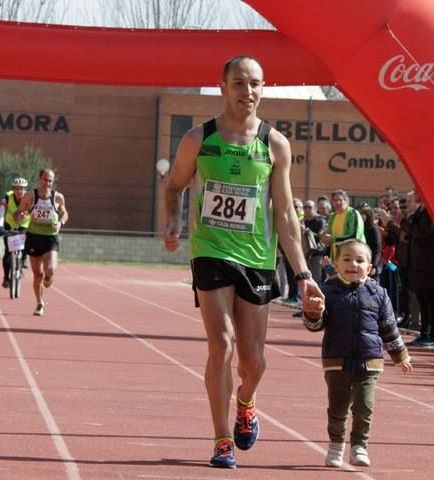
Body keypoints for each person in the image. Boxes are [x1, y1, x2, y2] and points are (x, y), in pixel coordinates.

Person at [162, 55, 325, 469]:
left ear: (263, 88)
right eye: (238, 83)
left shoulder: (275, 145)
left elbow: (285, 214)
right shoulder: (198, 140)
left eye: (254, 84)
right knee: (222, 343)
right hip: (211, 251)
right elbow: (174, 185)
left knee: (252, 362)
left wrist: (303, 274)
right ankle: (221, 440)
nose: (247, 92)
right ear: (222, 86)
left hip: (257, 257)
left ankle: (247, 401)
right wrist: (173, 221)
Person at [302, 239, 411, 468]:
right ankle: (336, 446)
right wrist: (313, 314)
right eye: (347, 259)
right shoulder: (327, 291)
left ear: (370, 268)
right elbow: (316, 325)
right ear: (336, 263)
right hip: (336, 361)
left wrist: (400, 355)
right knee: (337, 408)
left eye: (360, 260)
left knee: (364, 407)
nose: (353, 264)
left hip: (369, 361)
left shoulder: (378, 293)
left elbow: (389, 327)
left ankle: (359, 446)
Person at [15, 169, 68, 316]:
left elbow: (64, 213)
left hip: (50, 237)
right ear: (39, 179)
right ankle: (39, 303)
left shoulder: (58, 198)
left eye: (50, 181)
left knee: (50, 270)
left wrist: (60, 223)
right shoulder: (30, 196)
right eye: (45, 180)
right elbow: (18, 212)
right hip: (33, 237)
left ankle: (49, 276)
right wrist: (20, 215)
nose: (47, 183)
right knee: (37, 275)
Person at [404, 192, 434, 348]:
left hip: (431, 262)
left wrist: (405, 222)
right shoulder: (420, 210)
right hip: (420, 262)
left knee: (431, 298)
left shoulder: (430, 211)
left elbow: (422, 232)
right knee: (423, 297)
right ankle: (425, 333)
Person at [0, 177, 31, 288]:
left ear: (25, 189)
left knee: (28, 240)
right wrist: (0, 226)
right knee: (8, 252)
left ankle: (24, 258)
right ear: (13, 189)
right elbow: (1, 212)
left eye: (21, 189)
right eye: (16, 189)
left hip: (24, 225)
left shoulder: (30, 198)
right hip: (9, 224)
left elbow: (34, 211)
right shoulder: (7, 197)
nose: (19, 191)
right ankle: (6, 278)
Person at [320, 189, 365, 263]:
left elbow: (354, 236)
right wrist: (325, 238)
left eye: (340, 200)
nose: (337, 203)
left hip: (353, 257)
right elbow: (329, 238)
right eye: (335, 200)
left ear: (347, 202)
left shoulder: (352, 214)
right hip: (336, 258)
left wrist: (332, 239)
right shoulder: (333, 216)